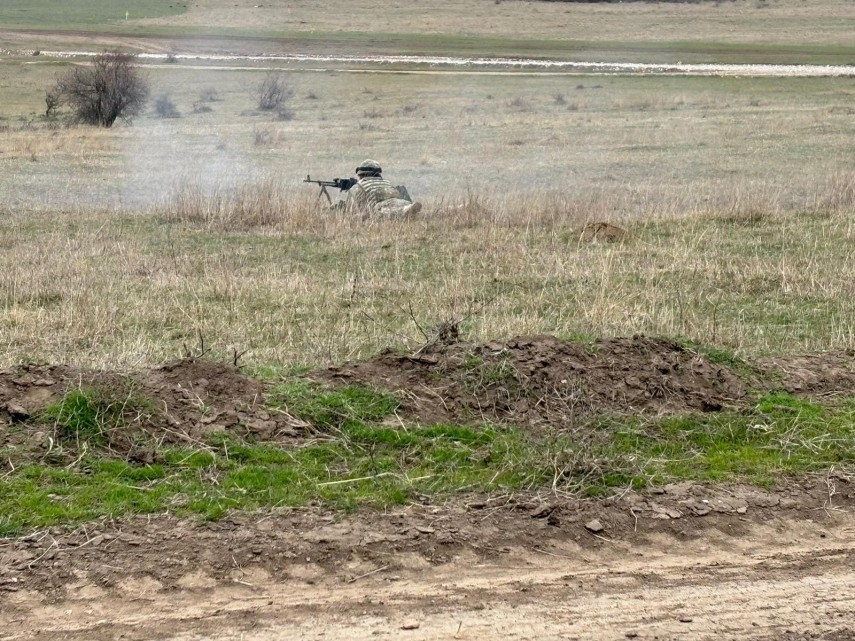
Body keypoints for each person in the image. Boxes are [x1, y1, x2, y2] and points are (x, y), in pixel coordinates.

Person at [345, 159, 422, 217]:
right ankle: (406, 209)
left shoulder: (358, 186)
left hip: (381, 208)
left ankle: (404, 211)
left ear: (360, 173)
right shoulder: (386, 182)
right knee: (398, 206)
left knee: (383, 211)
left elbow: (351, 211)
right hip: (400, 202)